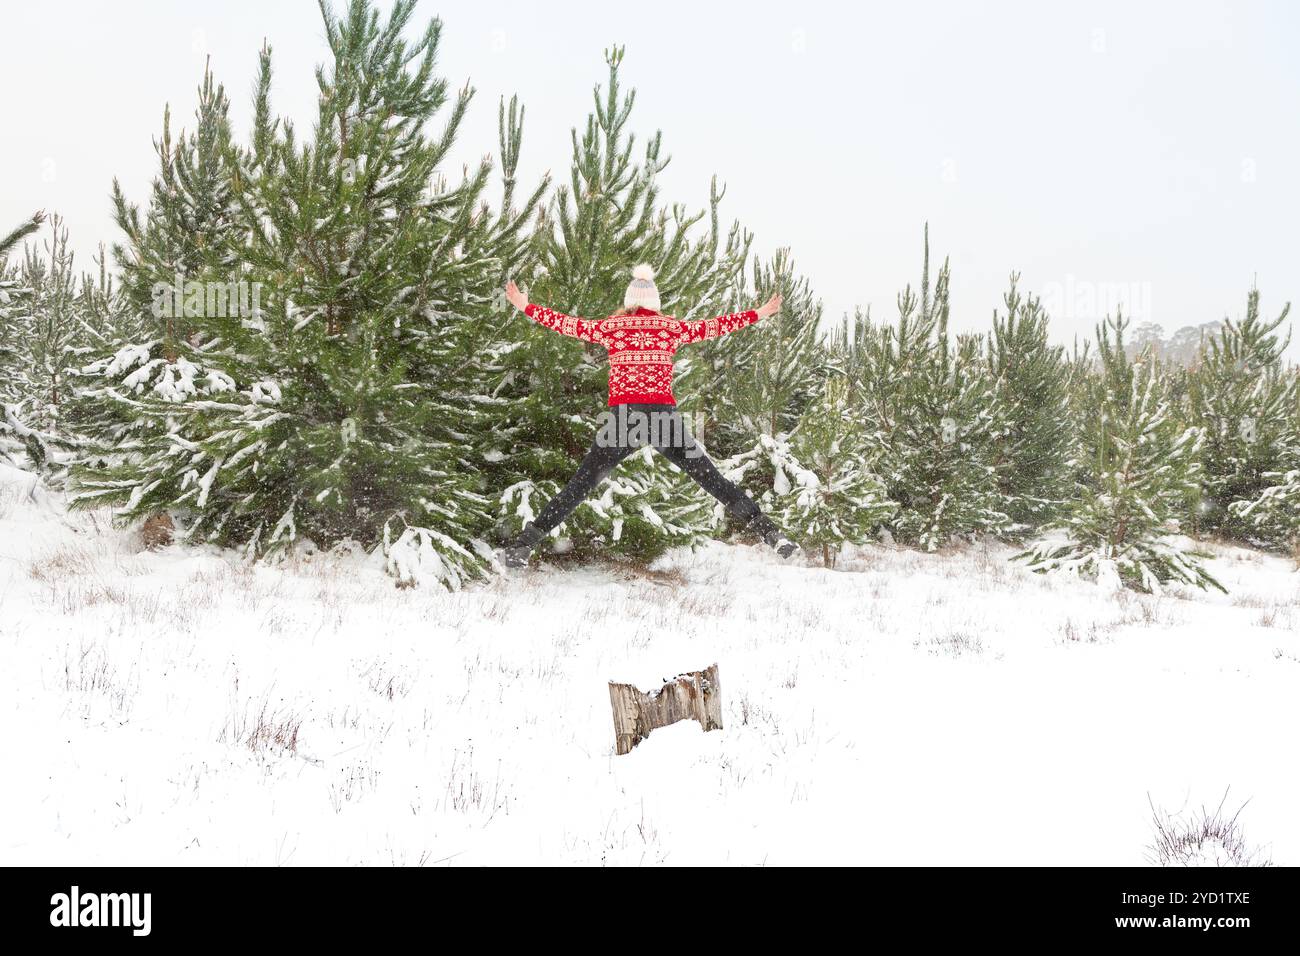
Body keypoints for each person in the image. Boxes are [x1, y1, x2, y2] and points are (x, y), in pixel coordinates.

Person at [498, 263, 796, 567]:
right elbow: (718, 325)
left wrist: (525, 305)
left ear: (629, 301)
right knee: (712, 480)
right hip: (662, 419)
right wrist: (761, 312)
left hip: (624, 419)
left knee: (581, 485)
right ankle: (770, 533)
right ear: (656, 303)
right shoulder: (670, 328)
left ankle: (523, 545)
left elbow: (565, 323)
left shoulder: (612, 328)